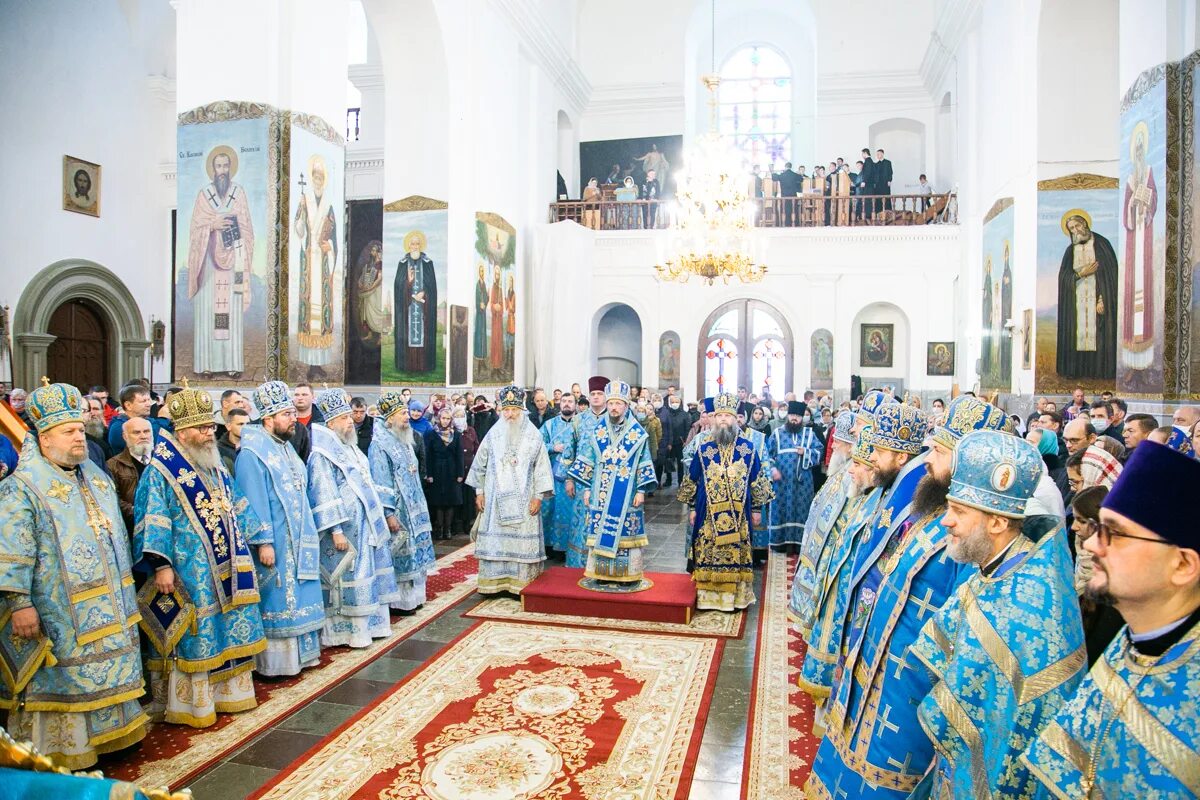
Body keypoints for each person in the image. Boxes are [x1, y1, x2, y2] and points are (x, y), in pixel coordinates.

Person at [907, 430, 1086, 799]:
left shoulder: (1029, 607)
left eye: (958, 511)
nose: (946, 521)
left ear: (998, 522)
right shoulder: (997, 565)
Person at [1021, 441, 1200, 799]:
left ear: (1182, 566)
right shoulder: (1131, 641)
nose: (1091, 546)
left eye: (1113, 534)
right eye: (1096, 528)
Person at [0, 382, 147, 767]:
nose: (79, 436)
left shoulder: (96, 478)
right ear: (44, 438)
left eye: (80, 429)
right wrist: (19, 603)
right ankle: (71, 746)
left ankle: (115, 735)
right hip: (58, 612)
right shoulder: (22, 488)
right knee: (65, 678)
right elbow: (12, 551)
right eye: (69, 432)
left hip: (111, 603)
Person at [134, 385, 267, 727]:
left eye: (211, 427)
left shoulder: (214, 463)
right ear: (182, 431)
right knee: (198, 633)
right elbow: (153, 519)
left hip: (228, 564)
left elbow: (236, 503)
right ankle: (194, 705)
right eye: (202, 428)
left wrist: (258, 537)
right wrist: (161, 565)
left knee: (227, 627)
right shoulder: (160, 470)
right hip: (188, 569)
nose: (210, 433)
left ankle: (229, 694)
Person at [234, 381, 326, 677]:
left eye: (291, 413)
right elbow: (251, 498)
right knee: (281, 596)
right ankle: (277, 664)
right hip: (276, 541)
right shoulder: (252, 453)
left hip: (299, 536)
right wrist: (263, 542)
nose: (292, 420)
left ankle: (303, 655)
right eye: (286, 414)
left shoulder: (285, 447)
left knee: (301, 594)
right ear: (268, 419)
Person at [306, 389, 399, 648]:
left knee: (368, 573)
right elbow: (323, 491)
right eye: (345, 417)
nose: (350, 421)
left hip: (365, 524)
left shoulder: (352, 449)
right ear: (331, 423)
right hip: (345, 529)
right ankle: (348, 632)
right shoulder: (321, 455)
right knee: (350, 577)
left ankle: (372, 626)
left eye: (350, 416)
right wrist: (335, 530)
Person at [677, 393, 774, 610]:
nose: (722, 420)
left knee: (737, 551)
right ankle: (708, 598)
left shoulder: (748, 448)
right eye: (719, 415)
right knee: (707, 549)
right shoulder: (703, 448)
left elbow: (757, 481)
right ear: (713, 419)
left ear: (735, 419)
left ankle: (735, 599)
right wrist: (692, 507)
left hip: (739, 514)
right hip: (707, 512)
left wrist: (757, 508)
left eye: (727, 416)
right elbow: (691, 479)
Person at [568, 381, 658, 585]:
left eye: (618, 403)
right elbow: (588, 459)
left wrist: (641, 490)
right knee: (600, 529)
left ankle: (627, 575)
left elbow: (644, 461)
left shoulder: (636, 433)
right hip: (600, 490)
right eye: (611, 404)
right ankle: (601, 573)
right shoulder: (598, 431)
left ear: (626, 406)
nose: (614, 408)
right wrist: (588, 489)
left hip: (628, 493)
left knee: (626, 534)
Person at [466, 386, 554, 594]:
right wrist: (479, 491)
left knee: (520, 545)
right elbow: (480, 463)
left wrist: (538, 496)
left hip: (525, 501)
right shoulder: (493, 433)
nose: (510, 414)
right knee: (496, 541)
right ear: (501, 410)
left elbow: (541, 467)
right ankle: (494, 585)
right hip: (495, 500)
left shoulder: (533, 435)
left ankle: (520, 585)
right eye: (506, 410)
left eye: (514, 410)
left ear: (522, 409)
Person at [187, 146, 255, 377]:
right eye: (219, 166)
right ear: (212, 169)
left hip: (233, 262)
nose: (223, 170)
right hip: (209, 267)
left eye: (226, 165)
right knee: (209, 313)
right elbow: (195, 229)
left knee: (230, 315)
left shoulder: (239, 193)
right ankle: (207, 365)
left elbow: (247, 229)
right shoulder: (203, 195)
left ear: (231, 168)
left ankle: (232, 365)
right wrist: (211, 225)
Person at [789, 410, 856, 638]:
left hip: (830, 546)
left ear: (850, 445)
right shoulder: (841, 469)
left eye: (839, 441)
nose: (834, 444)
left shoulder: (852, 474)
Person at [369, 392, 436, 612]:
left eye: (407, 412)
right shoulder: (380, 444)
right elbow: (380, 479)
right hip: (398, 509)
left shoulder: (406, 438)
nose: (407, 417)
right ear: (390, 418)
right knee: (400, 552)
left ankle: (415, 597)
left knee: (416, 552)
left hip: (415, 505)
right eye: (402, 413)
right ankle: (399, 601)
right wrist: (388, 513)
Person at [293, 154, 339, 372]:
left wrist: (330, 245)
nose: (318, 181)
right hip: (309, 263)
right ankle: (310, 363)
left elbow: (335, 235)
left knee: (322, 313)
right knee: (309, 310)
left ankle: (319, 364)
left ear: (325, 181)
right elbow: (299, 230)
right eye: (315, 178)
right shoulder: (306, 201)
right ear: (311, 180)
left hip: (322, 265)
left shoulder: (329, 205)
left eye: (321, 178)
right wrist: (301, 216)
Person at [766, 400, 824, 550]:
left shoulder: (809, 434)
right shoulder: (777, 434)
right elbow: (767, 455)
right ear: (787, 415)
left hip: (802, 483)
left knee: (802, 510)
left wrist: (806, 452)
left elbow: (819, 452)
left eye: (797, 416)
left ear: (801, 418)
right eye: (791, 415)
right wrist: (772, 470)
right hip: (781, 482)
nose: (794, 419)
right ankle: (780, 544)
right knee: (781, 509)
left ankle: (799, 545)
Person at [540, 393, 580, 562]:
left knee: (569, 511)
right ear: (559, 404)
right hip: (552, 475)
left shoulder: (581, 424)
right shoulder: (549, 425)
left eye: (570, 401)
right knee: (549, 509)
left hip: (573, 476)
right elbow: (537, 444)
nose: (567, 404)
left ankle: (567, 548)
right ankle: (549, 546)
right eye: (564, 401)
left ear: (576, 405)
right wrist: (553, 447)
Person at [395, 230, 437, 373]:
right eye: (412, 243)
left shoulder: (427, 263)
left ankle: (423, 366)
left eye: (417, 243)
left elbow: (432, 285)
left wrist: (424, 292)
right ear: (408, 245)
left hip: (423, 310)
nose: (415, 246)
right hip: (408, 310)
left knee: (423, 336)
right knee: (408, 336)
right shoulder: (402, 264)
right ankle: (408, 366)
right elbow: (398, 286)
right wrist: (409, 282)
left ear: (421, 245)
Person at [107, 415, 153, 534]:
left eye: (146, 431)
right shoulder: (113, 465)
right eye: (136, 433)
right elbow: (113, 499)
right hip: (132, 529)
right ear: (125, 436)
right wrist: (139, 513)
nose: (143, 436)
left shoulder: (164, 461)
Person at [423, 406, 464, 540]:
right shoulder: (432, 433)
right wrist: (429, 474)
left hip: (451, 470)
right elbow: (428, 455)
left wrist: (460, 474)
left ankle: (448, 529)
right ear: (439, 419)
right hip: (437, 469)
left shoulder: (456, 434)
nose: (445, 421)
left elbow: (459, 455)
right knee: (439, 502)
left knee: (450, 501)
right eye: (443, 418)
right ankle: (439, 529)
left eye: (448, 418)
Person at [453, 406, 480, 536]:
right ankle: (454, 524)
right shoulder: (450, 432)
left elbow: (476, 447)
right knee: (457, 497)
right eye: (456, 416)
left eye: (461, 415)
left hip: (469, 468)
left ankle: (467, 523)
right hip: (455, 470)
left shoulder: (470, 430)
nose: (459, 418)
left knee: (468, 498)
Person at [217, 407, 248, 475]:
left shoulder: (255, 446)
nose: (245, 427)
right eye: (240, 424)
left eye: (247, 424)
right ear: (228, 426)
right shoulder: (219, 451)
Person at [775, 161, 801, 226]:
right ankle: (794, 223)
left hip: (784, 196)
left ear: (785, 167)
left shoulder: (782, 175)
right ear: (791, 167)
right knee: (793, 210)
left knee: (785, 210)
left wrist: (772, 171)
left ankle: (785, 224)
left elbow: (774, 178)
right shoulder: (794, 175)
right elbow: (801, 179)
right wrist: (799, 173)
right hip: (793, 196)